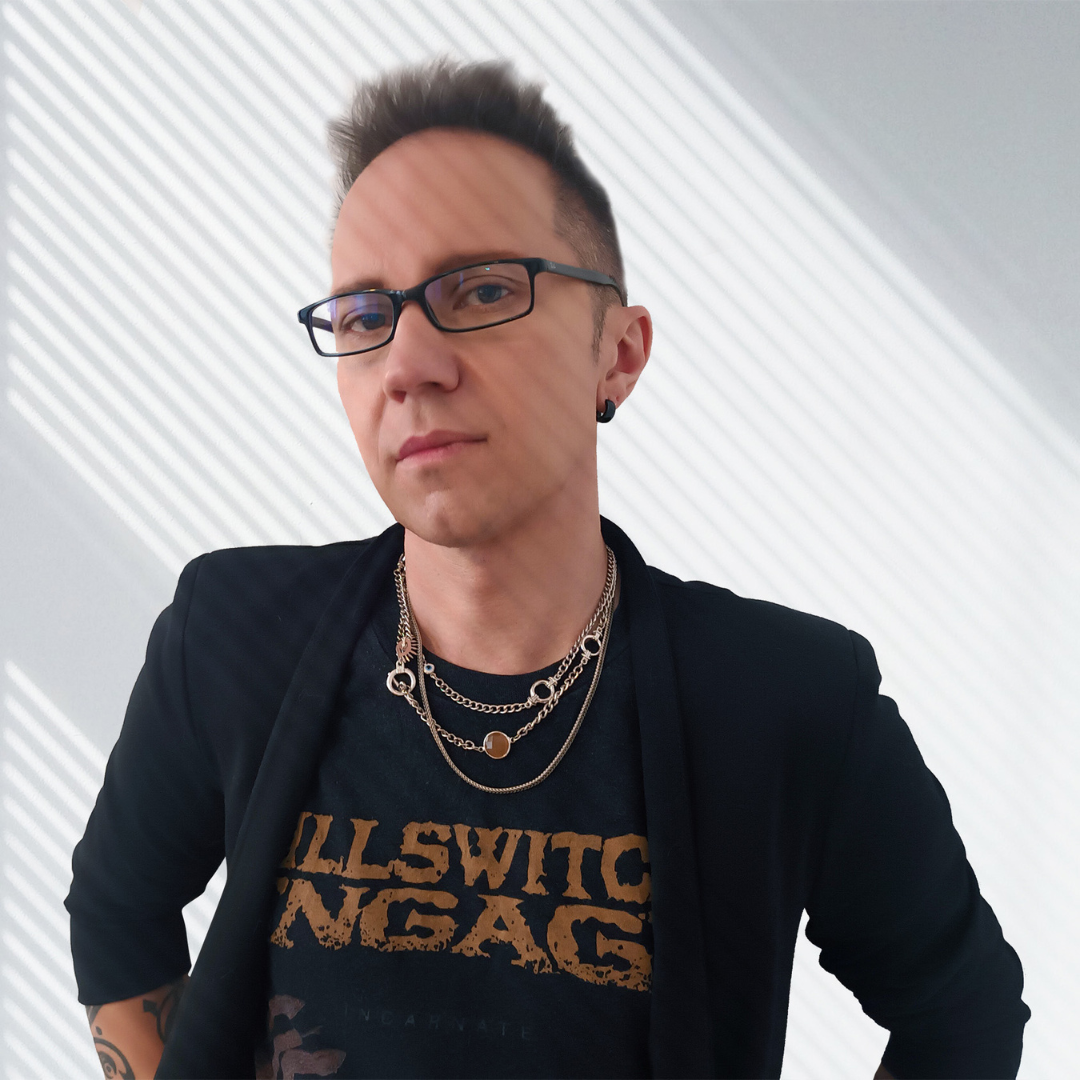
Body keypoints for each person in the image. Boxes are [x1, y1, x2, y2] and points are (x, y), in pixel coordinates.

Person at [66, 58, 1028, 1080]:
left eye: (482, 289)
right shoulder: (229, 634)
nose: (408, 366)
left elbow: (961, 1011)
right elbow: (118, 909)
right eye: (363, 316)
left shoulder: (785, 700)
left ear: (619, 352)